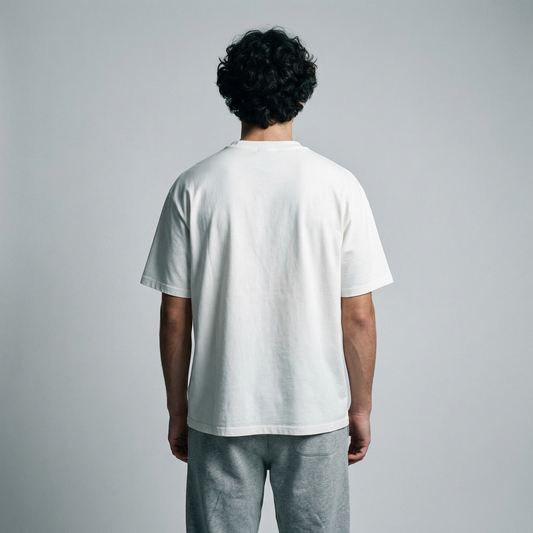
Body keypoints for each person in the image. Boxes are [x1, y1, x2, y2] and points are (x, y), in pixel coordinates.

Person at [140, 26, 393, 533]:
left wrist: (177, 408)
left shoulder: (194, 186)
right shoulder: (339, 186)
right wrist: (361, 407)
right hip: (314, 411)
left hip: (220, 409)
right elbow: (358, 315)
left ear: (232, 95)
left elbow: (174, 315)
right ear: (301, 95)